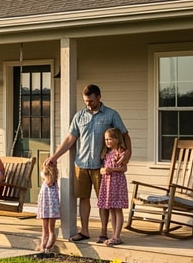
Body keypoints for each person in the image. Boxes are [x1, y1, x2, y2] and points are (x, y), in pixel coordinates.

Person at [45, 84, 131, 242]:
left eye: (91, 100)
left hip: (102, 166)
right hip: (81, 164)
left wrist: (128, 153)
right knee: (83, 198)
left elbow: (124, 135)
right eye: (86, 101)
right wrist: (55, 156)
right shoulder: (79, 116)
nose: (88, 104)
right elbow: (70, 139)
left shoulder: (111, 115)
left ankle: (103, 232)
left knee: (104, 201)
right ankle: (84, 231)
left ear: (99, 97)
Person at [98, 127, 129, 246]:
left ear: (117, 139)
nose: (108, 142)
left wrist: (112, 169)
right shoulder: (107, 153)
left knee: (118, 209)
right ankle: (114, 235)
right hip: (108, 183)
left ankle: (117, 236)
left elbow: (124, 168)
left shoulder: (121, 152)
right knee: (111, 208)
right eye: (106, 139)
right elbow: (104, 168)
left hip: (117, 183)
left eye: (110, 139)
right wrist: (103, 171)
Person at [36, 160, 60, 255]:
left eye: (48, 177)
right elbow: (44, 172)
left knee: (51, 228)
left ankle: (50, 240)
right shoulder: (44, 183)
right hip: (44, 206)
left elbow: (53, 173)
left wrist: (52, 167)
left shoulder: (54, 184)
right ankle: (43, 243)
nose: (47, 180)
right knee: (44, 228)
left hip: (51, 208)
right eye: (46, 178)